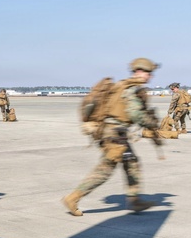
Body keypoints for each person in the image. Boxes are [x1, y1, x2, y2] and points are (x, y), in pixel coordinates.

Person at [63, 58, 163, 216]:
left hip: (113, 132)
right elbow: (135, 114)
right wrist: (151, 123)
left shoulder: (122, 85)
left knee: (132, 163)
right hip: (114, 133)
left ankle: (134, 200)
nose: (150, 76)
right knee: (105, 169)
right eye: (148, 73)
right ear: (139, 71)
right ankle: (73, 198)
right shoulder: (131, 89)